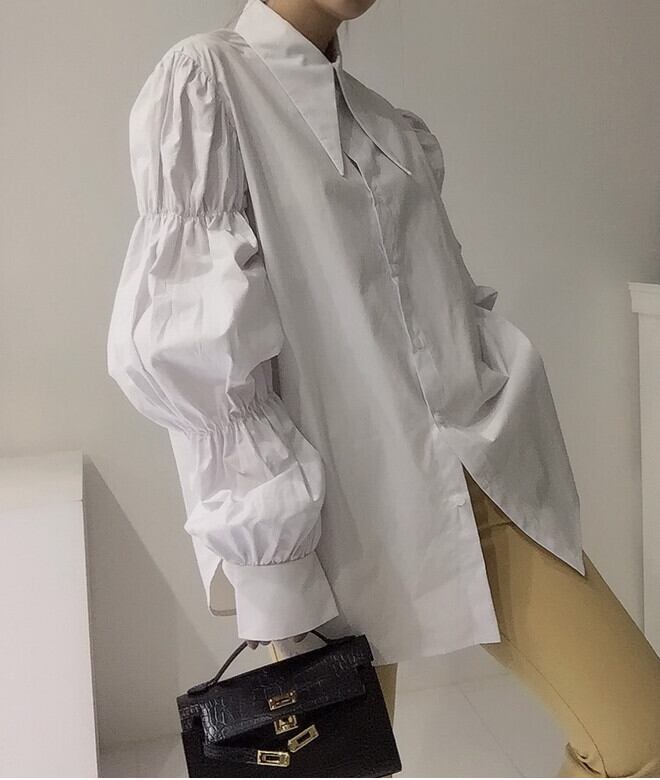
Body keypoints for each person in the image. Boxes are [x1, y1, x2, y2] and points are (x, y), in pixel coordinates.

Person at [107, 0, 660, 775]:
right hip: (324, 528)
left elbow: (440, 307)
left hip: (477, 485)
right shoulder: (208, 83)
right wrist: (277, 575)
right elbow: (195, 351)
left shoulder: (385, 124)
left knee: (642, 735)